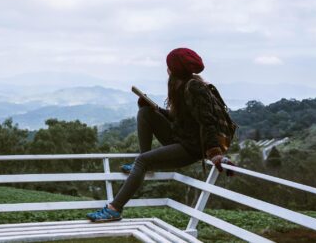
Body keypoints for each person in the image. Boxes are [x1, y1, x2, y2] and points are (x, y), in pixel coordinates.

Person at [88, 47, 236, 222]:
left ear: (175, 68)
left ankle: (114, 209)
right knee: (145, 113)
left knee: (142, 161)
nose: (167, 69)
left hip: (191, 148)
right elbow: (178, 118)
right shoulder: (181, 84)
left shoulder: (194, 87)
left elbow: (207, 121)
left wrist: (215, 154)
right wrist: (155, 109)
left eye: (169, 65)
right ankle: (144, 162)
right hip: (181, 137)